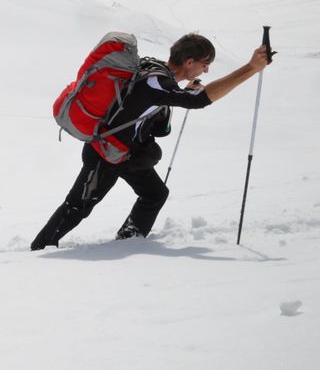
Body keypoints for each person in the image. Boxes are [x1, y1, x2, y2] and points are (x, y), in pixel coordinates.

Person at [31, 34, 271, 250]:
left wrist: (184, 90)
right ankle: (40, 250)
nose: (206, 70)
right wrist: (251, 68)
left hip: (125, 154)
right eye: (204, 64)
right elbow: (199, 101)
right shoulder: (157, 82)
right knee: (76, 207)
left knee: (155, 193)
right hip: (105, 153)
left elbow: (162, 99)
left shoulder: (155, 71)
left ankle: (130, 242)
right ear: (189, 62)